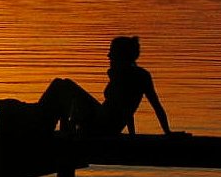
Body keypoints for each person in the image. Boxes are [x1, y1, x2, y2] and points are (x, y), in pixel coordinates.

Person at [36, 35, 174, 136]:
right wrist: (133, 134)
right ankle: (45, 121)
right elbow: (129, 109)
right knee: (64, 85)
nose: (108, 56)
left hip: (101, 126)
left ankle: (38, 119)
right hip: (103, 121)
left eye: (112, 52)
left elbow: (130, 109)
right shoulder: (131, 74)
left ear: (121, 56)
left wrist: (167, 132)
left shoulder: (128, 76)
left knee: (61, 85)